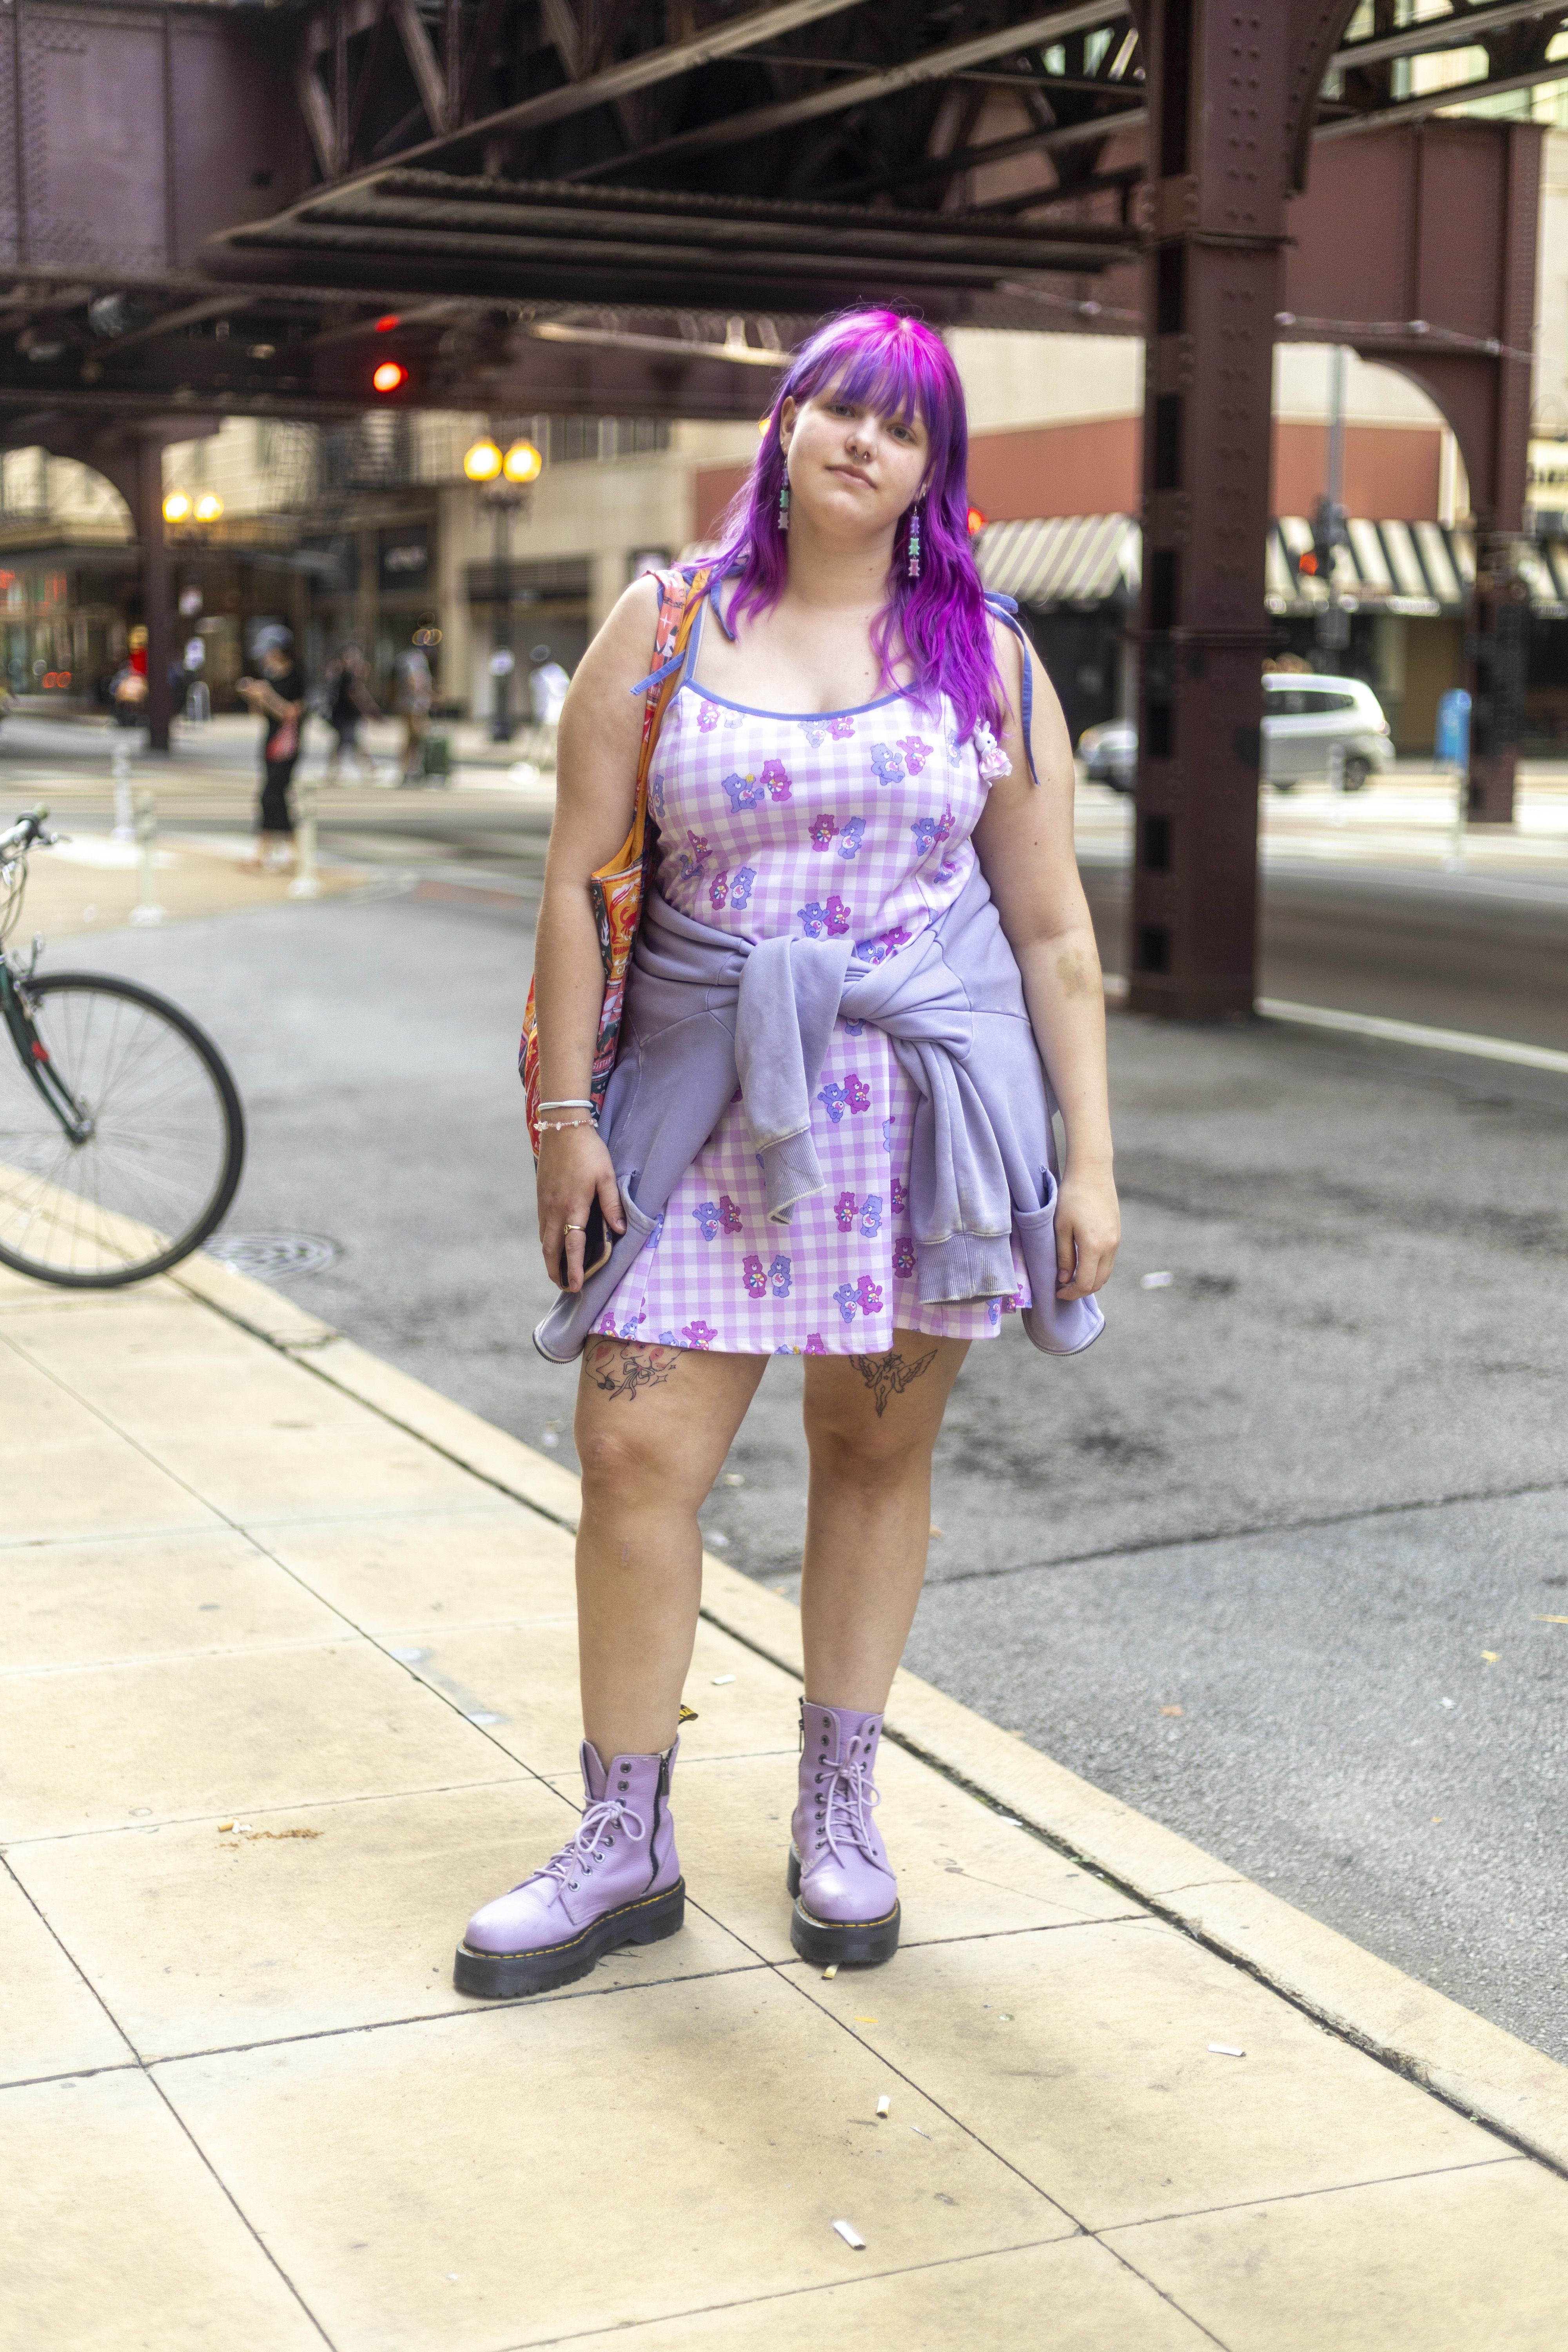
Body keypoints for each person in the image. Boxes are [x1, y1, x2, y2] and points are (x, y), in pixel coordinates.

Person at [455, 310, 1120, 2002]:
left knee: (874, 1457)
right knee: (630, 1452)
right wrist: (561, 1119)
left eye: (897, 425)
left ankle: (840, 1803)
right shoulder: (664, 619)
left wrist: (1091, 1166)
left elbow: (1050, 935)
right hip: (693, 1106)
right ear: (782, 425)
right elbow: (571, 881)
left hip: (919, 1123)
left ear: (930, 468)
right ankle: (623, 1835)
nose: (858, 439)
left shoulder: (986, 652)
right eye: (832, 403)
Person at [236, 631, 306, 872]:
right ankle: (280, 853)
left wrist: (267, 694)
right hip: (271, 742)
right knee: (273, 797)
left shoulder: (296, 677)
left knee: (272, 795)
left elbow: (290, 713)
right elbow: (262, 715)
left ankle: (282, 852)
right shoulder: (271, 678)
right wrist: (255, 698)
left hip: (288, 744)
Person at [323, 643, 379, 781]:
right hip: (343, 715)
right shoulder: (344, 675)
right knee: (349, 743)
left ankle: (335, 770)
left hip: (348, 715)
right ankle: (368, 767)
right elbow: (354, 695)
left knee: (346, 743)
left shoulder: (349, 676)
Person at [393, 642, 433, 785]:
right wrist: (421, 694)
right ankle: (407, 769)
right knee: (415, 737)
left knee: (415, 739)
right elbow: (412, 681)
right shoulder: (415, 659)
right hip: (413, 705)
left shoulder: (413, 659)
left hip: (417, 705)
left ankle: (411, 769)